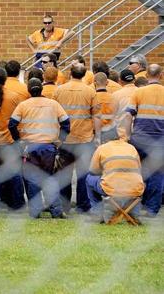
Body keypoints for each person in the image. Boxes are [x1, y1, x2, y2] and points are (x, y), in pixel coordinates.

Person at [9, 78, 70, 218]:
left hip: (30, 148)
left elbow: (12, 124)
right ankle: (56, 211)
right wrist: (60, 140)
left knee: (32, 179)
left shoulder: (23, 105)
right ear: (41, 89)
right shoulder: (53, 104)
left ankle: (35, 211)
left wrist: (19, 141)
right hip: (49, 147)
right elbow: (66, 123)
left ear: (28, 90)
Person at [54, 63, 96, 214]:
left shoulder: (59, 90)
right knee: (83, 173)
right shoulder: (90, 91)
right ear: (84, 74)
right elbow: (95, 115)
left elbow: (55, 114)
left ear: (70, 73)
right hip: (84, 138)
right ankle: (83, 206)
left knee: (64, 173)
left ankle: (64, 205)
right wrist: (96, 134)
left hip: (65, 138)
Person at [123, 64, 164, 217]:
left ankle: (136, 205)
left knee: (138, 172)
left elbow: (128, 116)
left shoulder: (138, 92)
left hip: (140, 139)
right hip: (160, 139)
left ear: (146, 76)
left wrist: (128, 136)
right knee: (158, 173)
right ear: (161, 75)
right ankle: (152, 208)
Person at [0, 62, 29, 211]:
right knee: (14, 172)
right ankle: (17, 202)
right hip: (10, 140)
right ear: (5, 78)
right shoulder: (14, 96)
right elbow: (21, 119)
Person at [86, 137, 144, 219]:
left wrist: (104, 171)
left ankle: (97, 213)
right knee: (136, 180)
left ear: (105, 138)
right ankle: (134, 214)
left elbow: (92, 170)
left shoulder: (102, 148)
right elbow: (139, 169)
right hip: (135, 188)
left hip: (112, 189)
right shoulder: (131, 147)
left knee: (89, 178)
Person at [92, 72, 117, 144]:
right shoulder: (113, 98)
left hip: (95, 131)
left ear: (94, 82)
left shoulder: (93, 97)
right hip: (110, 131)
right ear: (107, 82)